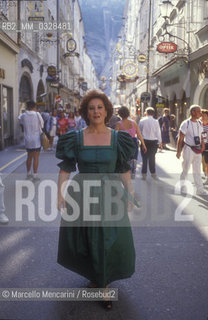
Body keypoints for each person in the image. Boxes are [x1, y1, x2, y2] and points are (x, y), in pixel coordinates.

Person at [56, 89, 137, 310]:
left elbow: (123, 169)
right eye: (91, 108)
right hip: (82, 194)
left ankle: (103, 285)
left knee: (107, 237)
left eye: (100, 107)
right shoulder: (76, 137)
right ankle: (96, 275)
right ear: (85, 112)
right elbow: (65, 168)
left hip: (111, 194)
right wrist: (59, 194)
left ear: (107, 110)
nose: (96, 111)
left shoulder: (118, 138)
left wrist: (130, 192)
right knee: (86, 237)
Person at [176, 105, 208, 196]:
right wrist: (178, 151)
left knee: (197, 170)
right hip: (188, 149)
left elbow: (201, 135)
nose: (200, 113)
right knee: (186, 169)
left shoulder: (199, 123)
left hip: (197, 149)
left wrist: (202, 145)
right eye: (199, 111)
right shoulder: (186, 123)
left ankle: (200, 190)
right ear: (193, 112)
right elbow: (180, 138)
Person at [115, 106, 147, 179]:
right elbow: (139, 135)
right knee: (133, 161)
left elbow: (115, 137)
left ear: (120, 114)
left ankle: (125, 179)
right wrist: (143, 145)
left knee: (124, 162)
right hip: (133, 145)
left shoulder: (118, 124)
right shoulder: (133, 123)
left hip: (123, 145)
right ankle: (131, 177)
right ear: (128, 113)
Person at [18, 100, 43, 181]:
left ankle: (28, 174)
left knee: (29, 156)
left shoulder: (23, 115)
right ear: (34, 106)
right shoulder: (37, 114)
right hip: (36, 139)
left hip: (27, 139)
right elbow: (42, 124)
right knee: (36, 157)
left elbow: (20, 122)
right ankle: (35, 176)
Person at [139, 107, 162, 180]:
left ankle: (144, 174)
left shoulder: (142, 121)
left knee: (144, 158)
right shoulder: (156, 121)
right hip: (153, 142)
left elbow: (139, 132)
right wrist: (160, 142)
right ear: (153, 113)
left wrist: (138, 140)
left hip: (144, 141)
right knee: (152, 157)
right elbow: (158, 132)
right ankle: (153, 173)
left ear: (146, 113)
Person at [201, 109, 208, 184]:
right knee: (199, 161)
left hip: (207, 145)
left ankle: (207, 177)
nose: (203, 117)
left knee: (207, 162)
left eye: (205, 116)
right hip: (199, 145)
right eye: (202, 116)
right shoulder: (198, 124)